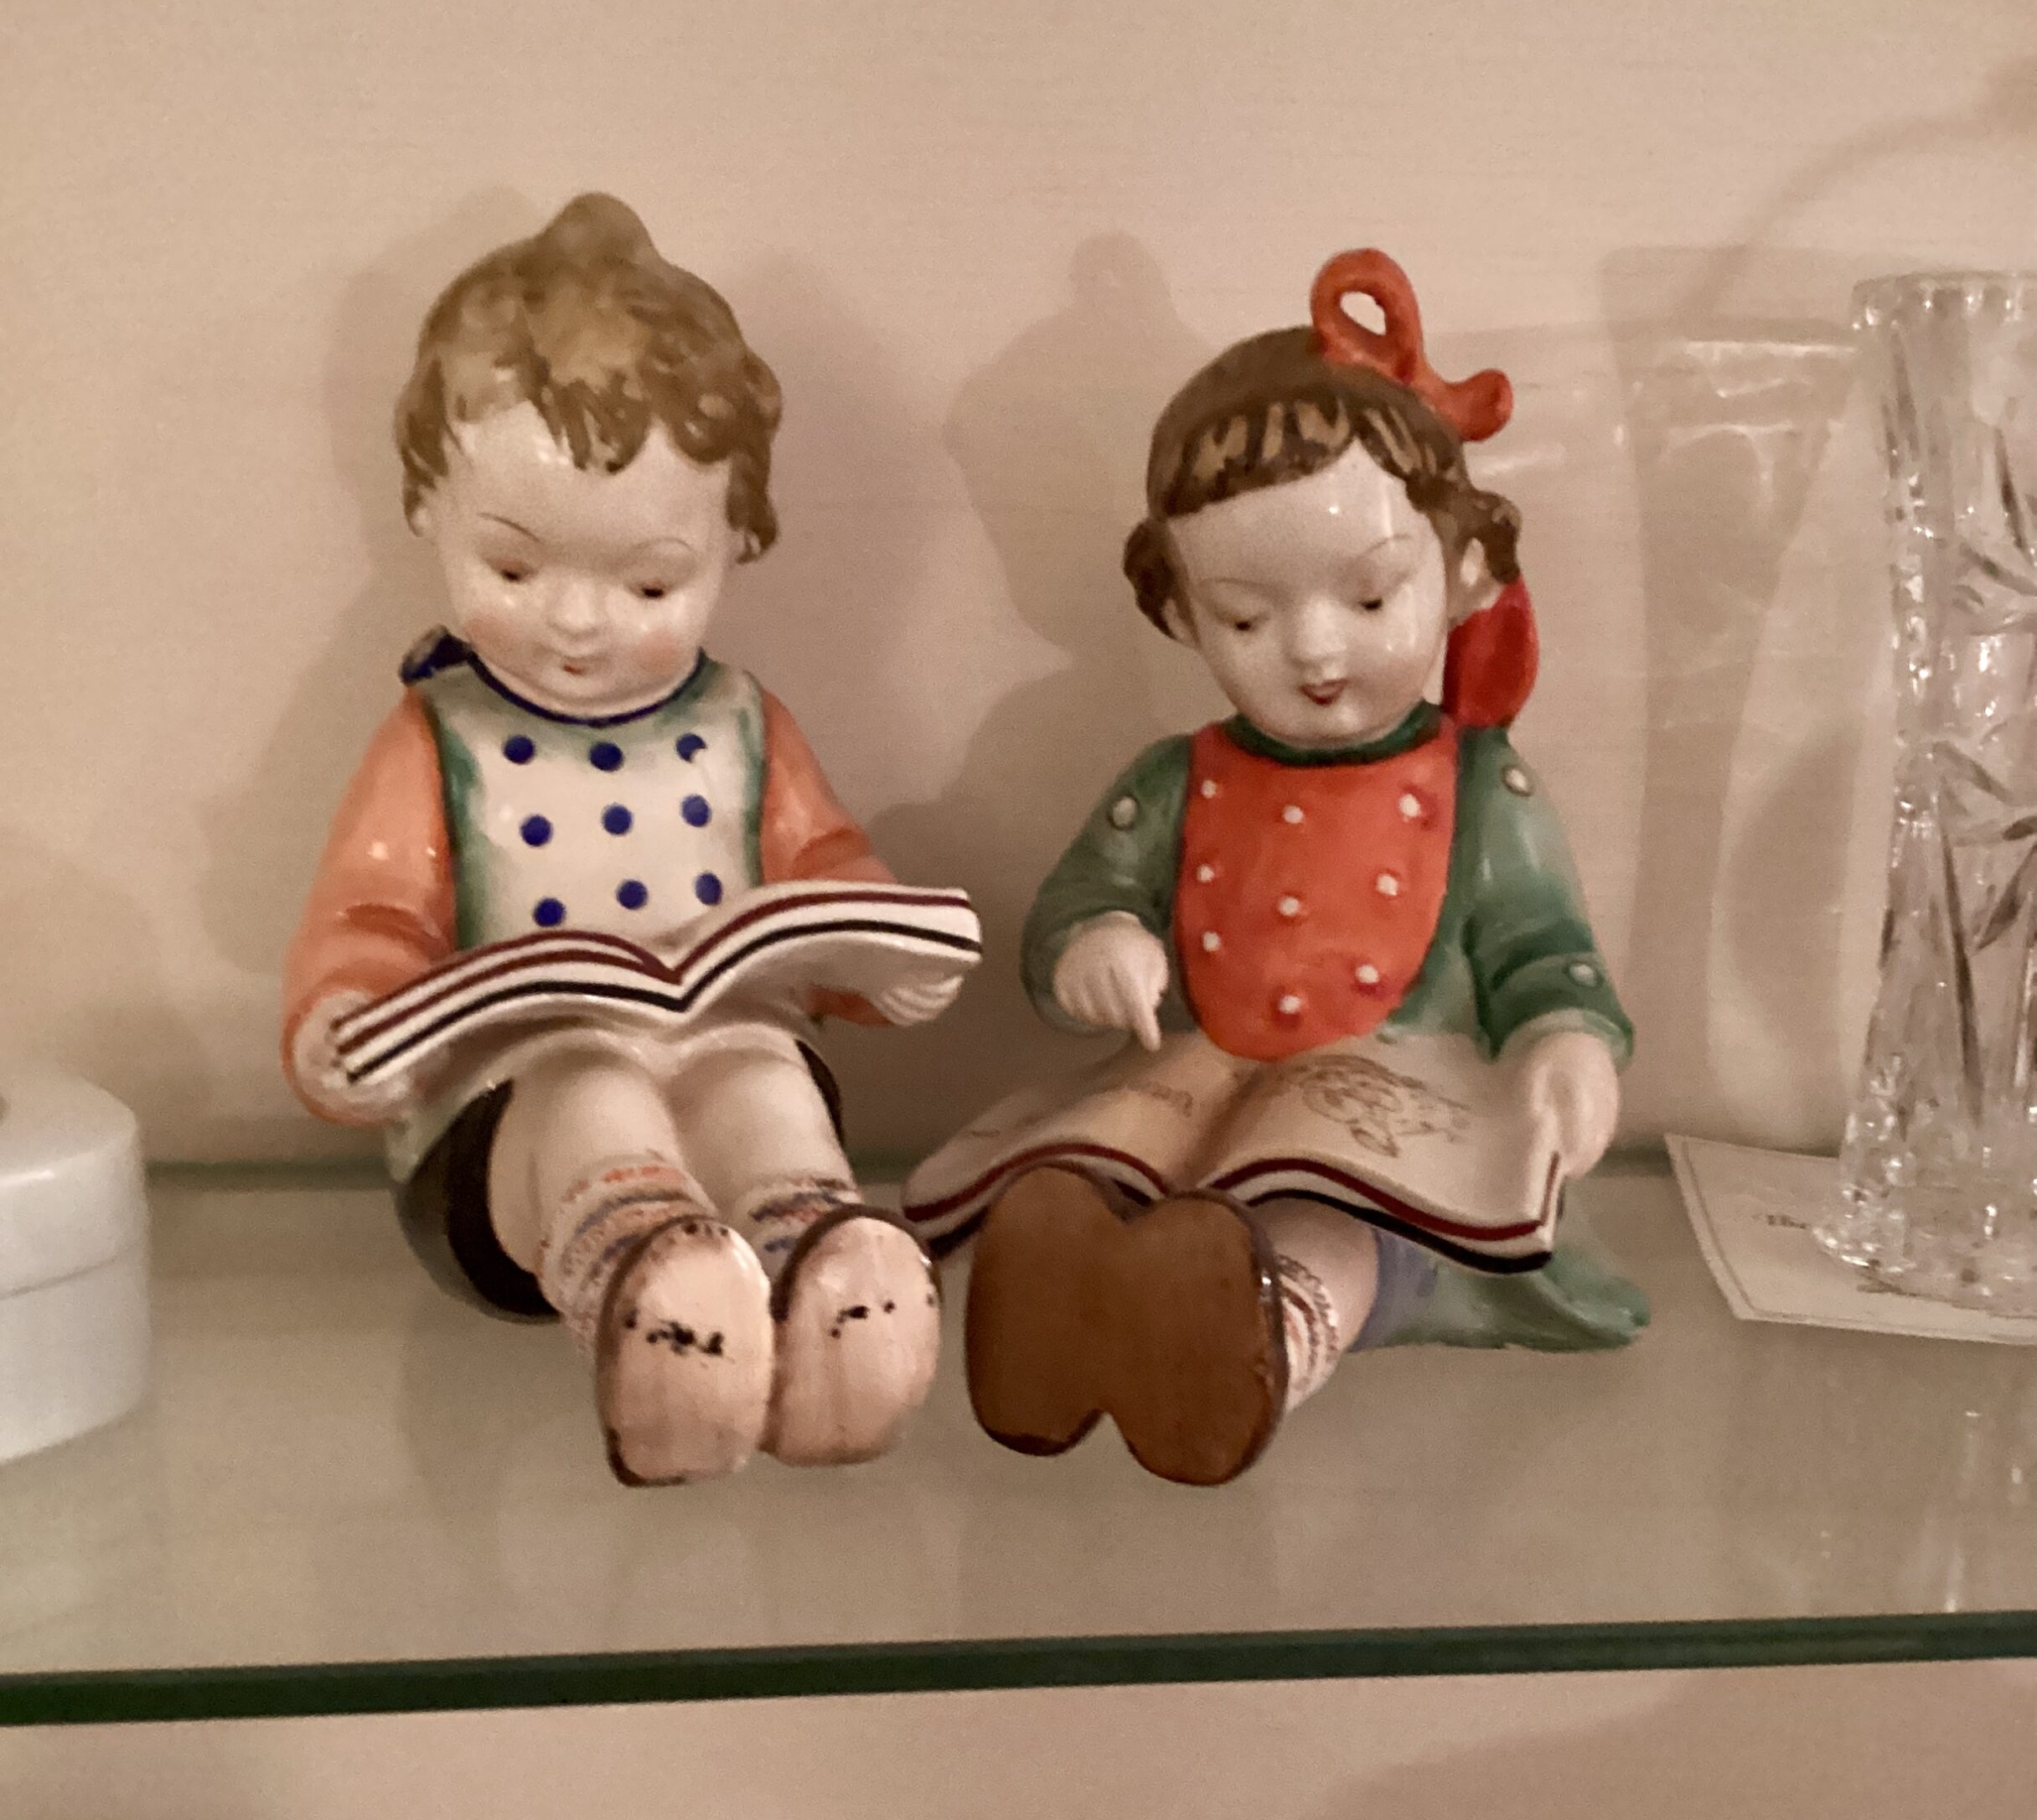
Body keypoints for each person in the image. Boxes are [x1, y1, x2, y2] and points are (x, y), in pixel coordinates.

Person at [905, 250, 1641, 1487]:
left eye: (1370, 599)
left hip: (1393, 1099)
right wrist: (1095, 944)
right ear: (1180, 612)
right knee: (1091, 1174)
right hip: (1204, 1080)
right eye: (1246, 616)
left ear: (1463, 570)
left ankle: (1257, 1345)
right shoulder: (1174, 779)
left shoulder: (1481, 790)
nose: (1313, 649)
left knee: (1327, 1219)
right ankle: (1071, 1314)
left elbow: (1539, 946)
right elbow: (1089, 895)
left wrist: (1566, 1038)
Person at [283, 194, 958, 1487]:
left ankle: (825, 1286)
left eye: (648, 582)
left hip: (720, 1041)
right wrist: (346, 1020)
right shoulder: (438, 739)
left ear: (734, 541)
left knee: (763, 1081)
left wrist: (878, 954)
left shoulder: (741, 724)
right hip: (500, 1142)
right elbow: (369, 916)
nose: (577, 624)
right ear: (428, 508)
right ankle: (647, 1298)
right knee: (591, 1086)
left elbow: (823, 871)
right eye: (515, 570)